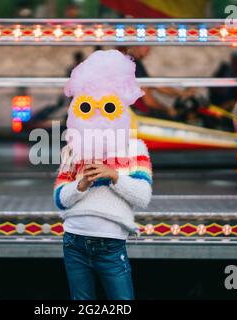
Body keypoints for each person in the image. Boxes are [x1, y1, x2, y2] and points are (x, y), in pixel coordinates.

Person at [54, 50, 153, 300]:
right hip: (74, 239)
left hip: (110, 242)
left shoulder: (135, 148)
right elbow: (59, 199)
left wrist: (114, 176)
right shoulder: (73, 149)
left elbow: (142, 196)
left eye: (107, 106)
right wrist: (81, 184)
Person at [127, 46, 196, 119]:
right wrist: (167, 110)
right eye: (145, 46)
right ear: (135, 46)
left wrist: (181, 93)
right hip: (139, 115)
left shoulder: (134, 63)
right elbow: (148, 101)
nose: (148, 49)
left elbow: (155, 85)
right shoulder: (134, 65)